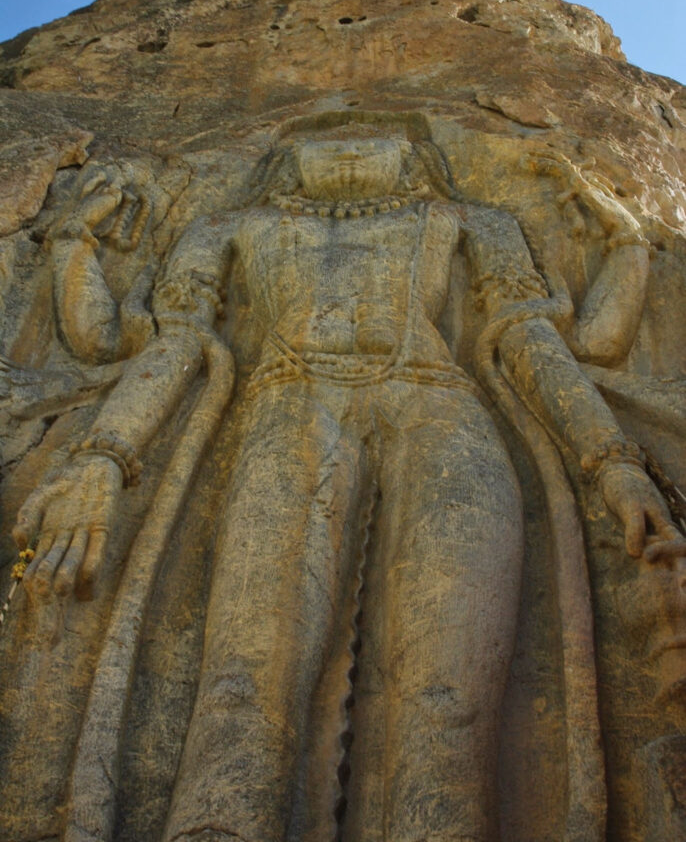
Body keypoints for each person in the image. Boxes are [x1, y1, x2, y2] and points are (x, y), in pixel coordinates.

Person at [13, 118, 680, 842]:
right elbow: (160, 342)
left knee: (451, 705)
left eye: (374, 135)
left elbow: (546, 340)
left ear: (411, 157)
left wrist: (614, 461)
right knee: (241, 690)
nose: (352, 145)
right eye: (325, 138)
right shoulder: (229, 227)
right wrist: (104, 457)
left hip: (440, 417)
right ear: (290, 161)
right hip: (287, 412)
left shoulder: (471, 222)